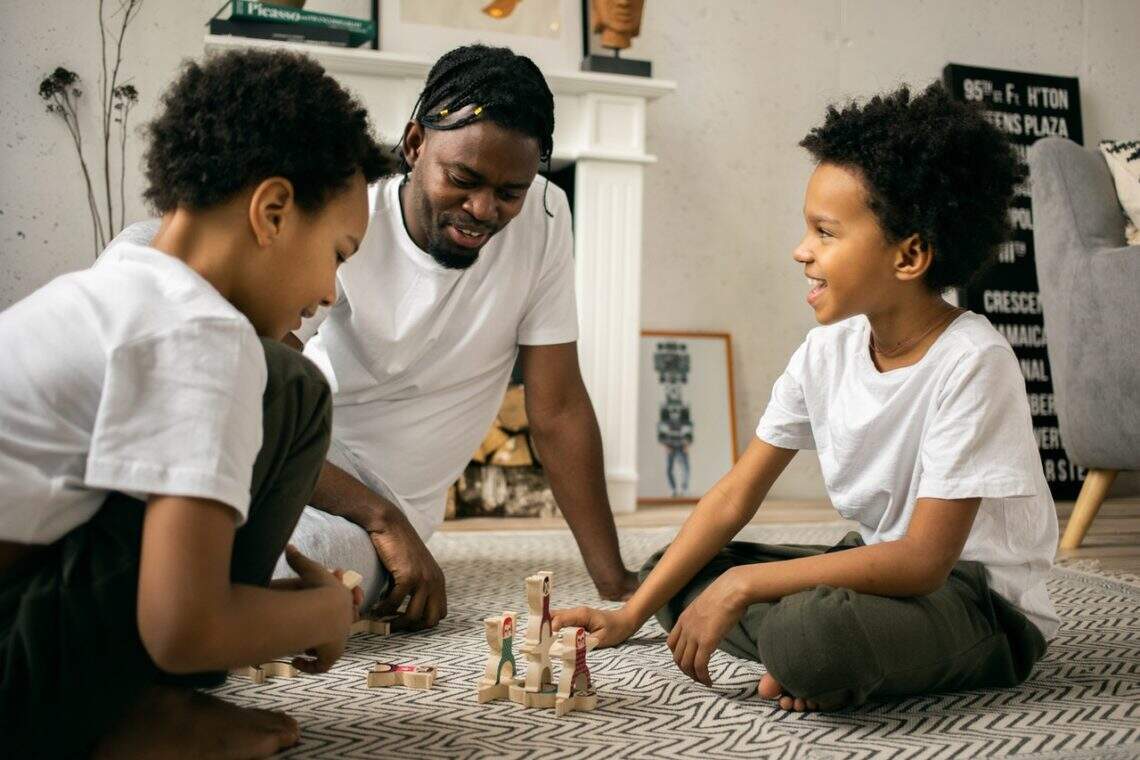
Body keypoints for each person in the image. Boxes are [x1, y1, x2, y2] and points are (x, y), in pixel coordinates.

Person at [554, 82, 1058, 712]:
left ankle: (812, 654)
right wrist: (630, 614)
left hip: (979, 603)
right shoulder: (826, 351)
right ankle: (815, 656)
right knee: (680, 574)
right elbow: (735, 495)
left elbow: (926, 561)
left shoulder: (973, 362)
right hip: (880, 569)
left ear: (910, 255)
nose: (802, 250)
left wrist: (748, 586)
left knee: (805, 632)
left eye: (825, 232)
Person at [0, 49, 390, 757]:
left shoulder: (119, 285)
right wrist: (325, 612)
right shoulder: (201, 333)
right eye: (337, 252)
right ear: (272, 211)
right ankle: (140, 711)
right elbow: (183, 628)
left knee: (284, 386)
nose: (333, 292)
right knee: (294, 386)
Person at [274, 43, 638, 627]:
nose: (482, 209)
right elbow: (259, 385)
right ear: (415, 143)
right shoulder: (351, 209)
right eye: (462, 178)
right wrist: (379, 517)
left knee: (297, 572)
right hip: (311, 455)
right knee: (144, 244)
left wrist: (615, 579)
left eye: (509, 192)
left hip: (386, 509)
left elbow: (559, 408)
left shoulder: (546, 218)